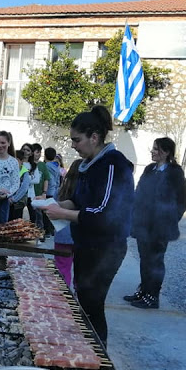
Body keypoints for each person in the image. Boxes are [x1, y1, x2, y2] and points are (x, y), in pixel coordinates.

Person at [45, 105, 135, 346]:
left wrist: (62, 212)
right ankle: (85, 348)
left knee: (93, 303)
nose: (73, 145)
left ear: (94, 137)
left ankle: (96, 352)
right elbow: (81, 201)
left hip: (106, 248)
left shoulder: (112, 164)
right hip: (87, 244)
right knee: (84, 298)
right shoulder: (91, 162)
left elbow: (102, 214)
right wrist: (56, 204)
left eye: (77, 140)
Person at [123, 137, 186, 309]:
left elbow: (182, 200)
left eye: (156, 149)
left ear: (166, 152)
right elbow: (139, 192)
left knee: (155, 261)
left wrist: (171, 218)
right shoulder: (150, 169)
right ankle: (143, 290)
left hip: (161, 227)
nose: (152, 151)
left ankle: (153, 296)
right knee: (145, 260)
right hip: (143, 224)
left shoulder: (175, 172)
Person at [53, 159, 82, 291]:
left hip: (62, 236)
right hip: (81, 237)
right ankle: (79, 295)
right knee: (81, 269)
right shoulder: (87, 193)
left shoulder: (60, 191)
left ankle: (63, 294)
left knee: (62, 267)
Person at [31, 143, 51, 232]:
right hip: (28, 194)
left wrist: (44, 192)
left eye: (40, 152)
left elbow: (46, 179)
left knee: (39, 215)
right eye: (37, 152)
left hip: (39, 194)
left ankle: (40, 233)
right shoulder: (27, 164)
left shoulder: (42, 165)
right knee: (32, 215)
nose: (38, 154)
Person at [8, 150, 32, 221]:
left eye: (16, 160)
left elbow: (24, 188)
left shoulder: (24, 172)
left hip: (18, 202)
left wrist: (14, 199)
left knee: (16, 222)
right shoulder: (9, 171)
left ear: (21, 161)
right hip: (8, 201)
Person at [43, 147, 61, 236]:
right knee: (52, 211)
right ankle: (51, 230)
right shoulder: (57, 167)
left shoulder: (46, 166)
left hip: (48, 191)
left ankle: (46, 231)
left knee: (46, 213)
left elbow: (47, 179)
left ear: (45, 155)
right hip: (55, 191)